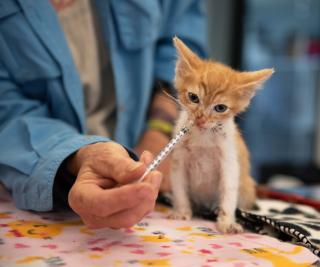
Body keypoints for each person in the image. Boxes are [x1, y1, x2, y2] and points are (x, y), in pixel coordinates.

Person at [0, 0, 207, 229]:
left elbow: (180, 37)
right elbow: (7, 112)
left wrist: (160, 128)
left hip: (153, 189)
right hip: (41, 198)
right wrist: (79, 158)